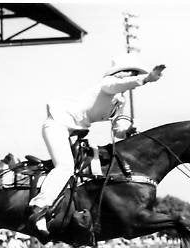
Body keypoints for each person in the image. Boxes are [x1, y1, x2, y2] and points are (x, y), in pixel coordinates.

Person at [28, 53, 165, 236]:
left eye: (136, 74)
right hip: (57, 125)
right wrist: (146, 79)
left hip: (73, 132)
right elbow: (119, 85)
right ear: (122, 73)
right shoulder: (107, 84)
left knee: (82, 173)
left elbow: (118, 130)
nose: (133, 77)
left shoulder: (120, 100)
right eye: (132, 73)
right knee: (65, 167)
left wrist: (128, 129)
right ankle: (38, 209)